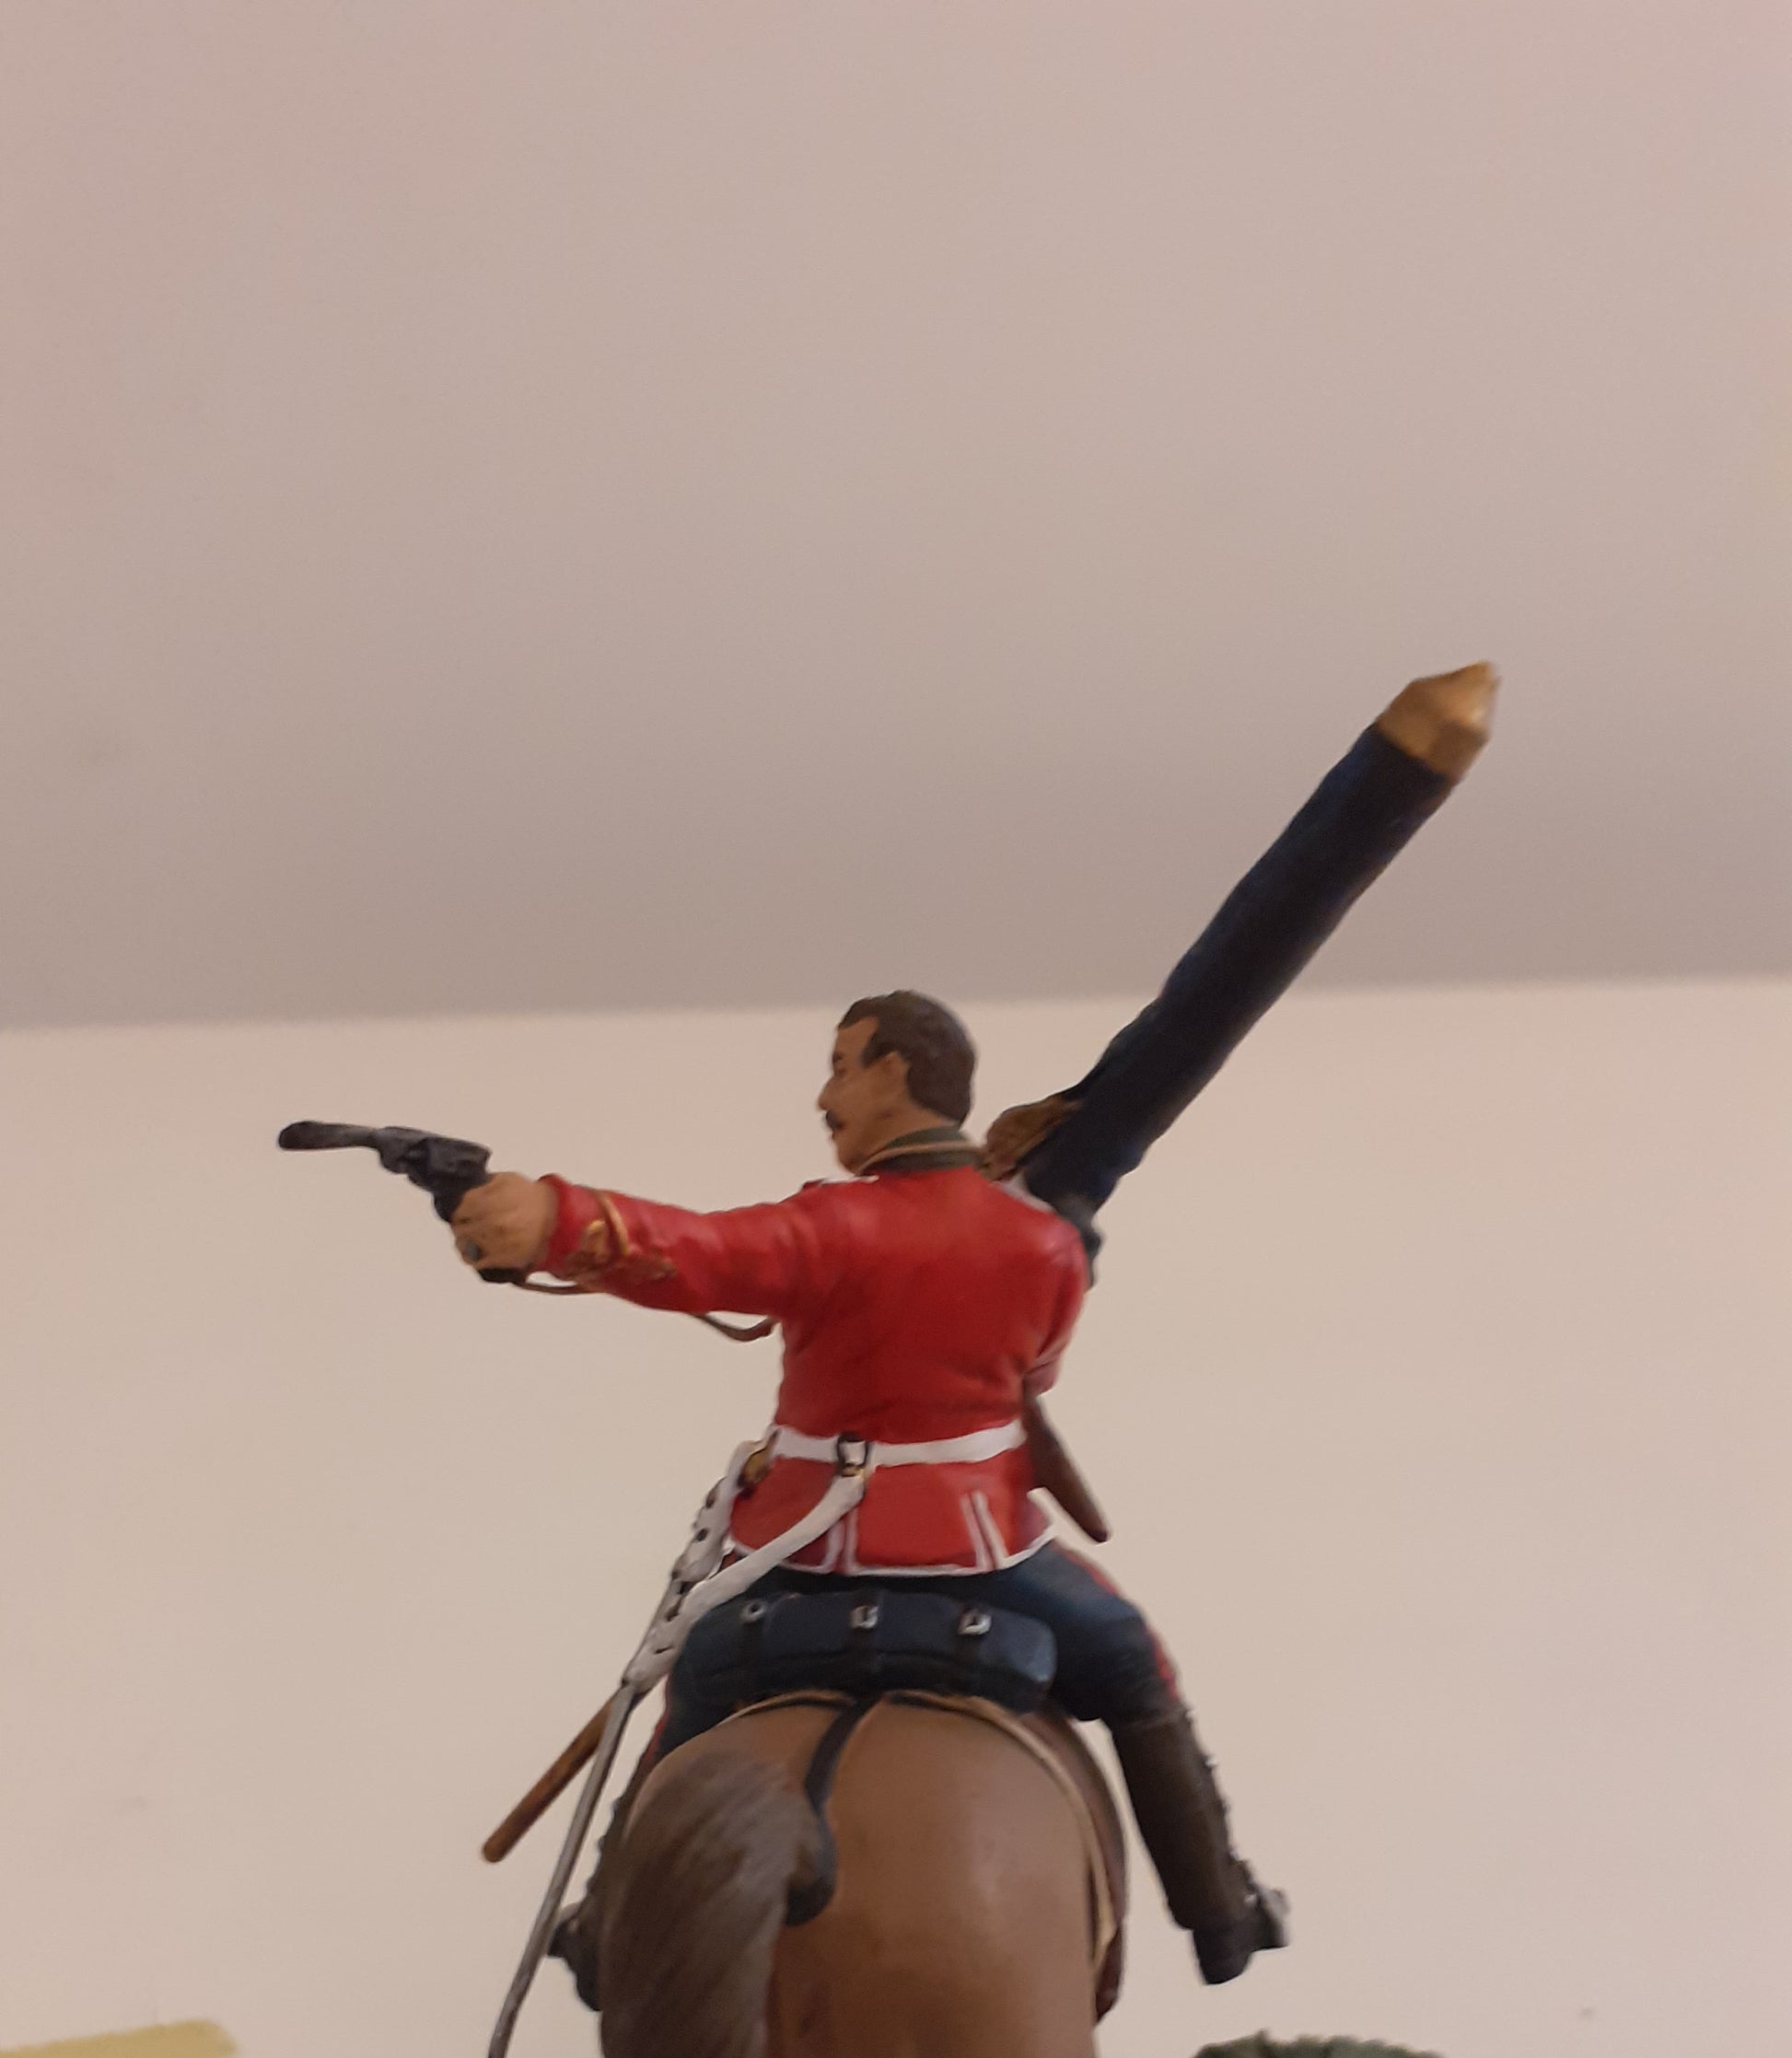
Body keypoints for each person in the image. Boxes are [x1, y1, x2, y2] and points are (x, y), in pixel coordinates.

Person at [449, 664, 1495, 1984]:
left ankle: (609, 1924)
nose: (824, 1094)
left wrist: (551, 1218)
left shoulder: (830, 1226)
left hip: (805, 1546)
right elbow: (1035, 1368)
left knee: (696, 1683)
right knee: (1133, 1665)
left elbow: (700, 1255)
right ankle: (1222, 1913)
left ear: (896, 1075)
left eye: (841, 1066)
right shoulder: (1042, 1242)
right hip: (979, 1544)